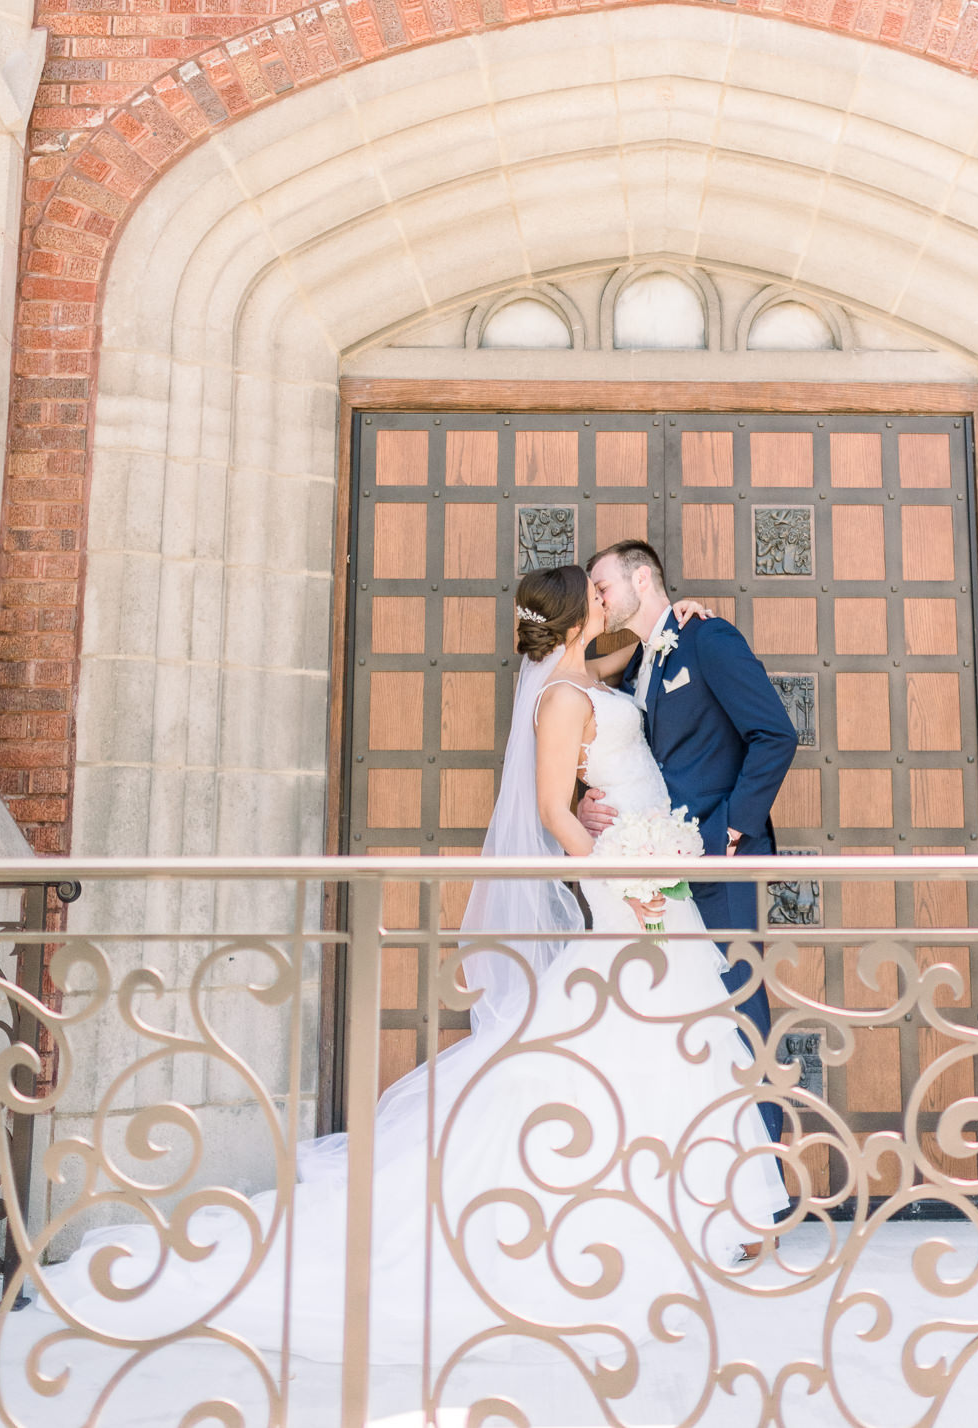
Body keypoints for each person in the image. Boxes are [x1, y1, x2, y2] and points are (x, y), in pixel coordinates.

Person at [40, 565, 786, 1404]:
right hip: (634, 881)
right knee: (626, 1036)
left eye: (612, 586)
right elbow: (551, 811)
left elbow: (633, 681)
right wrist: (620, 868)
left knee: (677, 1029)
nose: (606, 599)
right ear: (581, 614)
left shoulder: (600, 673)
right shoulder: (562, 699)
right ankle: (626, 1212)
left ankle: (697, 1203)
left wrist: (675, 618)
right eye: (597, 592)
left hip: (660, 870)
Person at [585, 539, 800, 1140]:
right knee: (692, 1021)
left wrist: (730, 831)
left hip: (723, 864)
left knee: (740, 1014)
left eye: (603, 584)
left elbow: (774, 735)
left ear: (643, 578)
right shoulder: (636, 664)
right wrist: (585, 799)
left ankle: (767, 1199)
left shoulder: (708, 639)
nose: (598, 597)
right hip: (662, 866)